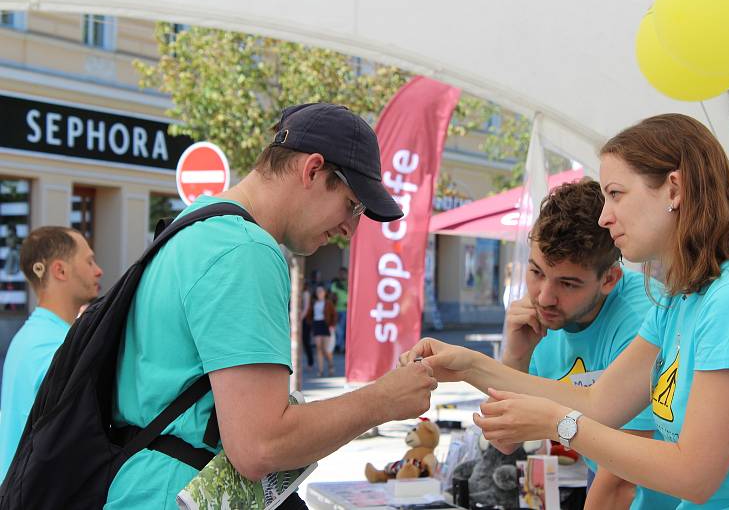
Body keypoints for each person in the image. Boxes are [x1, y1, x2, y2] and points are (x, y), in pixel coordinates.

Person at [401, 114, 729, 509]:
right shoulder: (681, 298)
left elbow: (694, 474)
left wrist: (558, 423)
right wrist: (468, 366)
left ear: (674, 190)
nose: (604, 216)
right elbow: (598, 403)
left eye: (616, 193)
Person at [105, 103, 436, 509]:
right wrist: (383, 400)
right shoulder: (245, 250)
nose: (351, 229)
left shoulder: (195, 226)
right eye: (352, 205)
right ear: (312, 169)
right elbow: (260, 445)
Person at [501, 179, 677, 510]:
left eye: (567, 283)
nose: (544, 297)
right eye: (536, 272)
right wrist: (516, 356)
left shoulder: (643, 317)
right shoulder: (539, 320)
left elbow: (622, 478)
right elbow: (505, 441)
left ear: (610, 279)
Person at [0, 226, 103, 479]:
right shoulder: (53, 346)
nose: (98, 270)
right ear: (60, 270)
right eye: (89, 261)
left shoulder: (30, 337)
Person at [305, 284, 337, 377]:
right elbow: (309, 314)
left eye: (321, 291)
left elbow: (334, 315)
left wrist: (332, 325)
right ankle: (320, 370)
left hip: (325, 325)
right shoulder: (314, 303)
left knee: (326, 349)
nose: (319, 293)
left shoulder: (328, 303)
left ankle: (331, 365)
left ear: (325, 293)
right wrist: (310, 323)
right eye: (317, 291)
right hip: (317, 324)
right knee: (318, 348)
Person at [329, 266, 348, 352]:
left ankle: (342, 346)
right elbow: (332, 296)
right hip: (337, 309)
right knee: (339, 329)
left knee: (344, 330)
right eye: (340, 273)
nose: (342, 275)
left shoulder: (349, 283)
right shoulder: (335, 284)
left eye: (343, 273)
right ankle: (338, 346)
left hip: (347, 310)